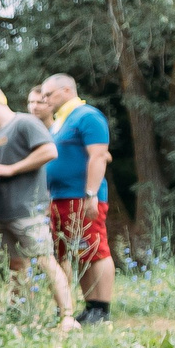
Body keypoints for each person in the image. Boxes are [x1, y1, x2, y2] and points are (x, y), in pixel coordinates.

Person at [0, 85, 79, 330]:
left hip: (28, 209)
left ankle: (67, 315)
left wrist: (11, 169)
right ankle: (27, 317)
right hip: (0, 213)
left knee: (44, 259)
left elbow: (49, 151)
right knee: (15, 266)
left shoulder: (25, 122)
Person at [33, 73, 115, 325]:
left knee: (95, 250)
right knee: (80, 252)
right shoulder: (60, 121)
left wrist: (90, 194)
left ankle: (102, 309)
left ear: (67, 90)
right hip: (60, 199)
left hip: (83, 197)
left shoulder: (87, 116)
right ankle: (90, 307)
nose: (45, 100)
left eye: (49, 94)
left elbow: (99, 156)